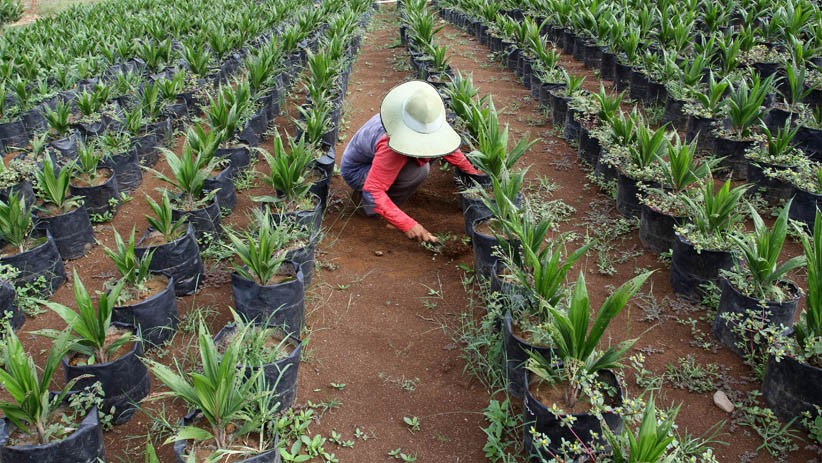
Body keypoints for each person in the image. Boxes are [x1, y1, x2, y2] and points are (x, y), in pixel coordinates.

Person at [340, 81, 485, 243]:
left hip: (375, 159)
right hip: (358, 171)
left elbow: (448, 148)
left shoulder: (417, 116)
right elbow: (373, 190)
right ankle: (367, 207)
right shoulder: (391, 143)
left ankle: (391, 196)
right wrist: (407, 224)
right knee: (418, 172)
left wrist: (473, 172)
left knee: (434, 148)